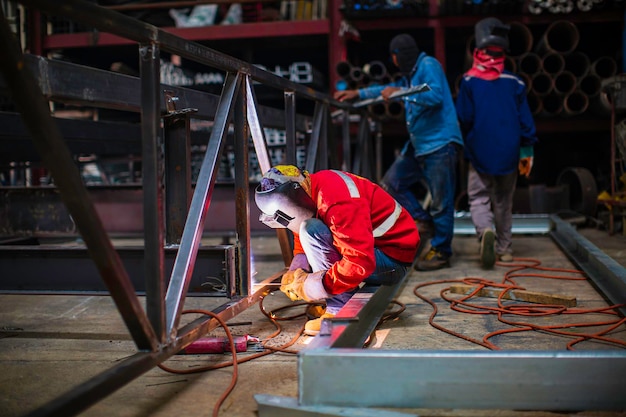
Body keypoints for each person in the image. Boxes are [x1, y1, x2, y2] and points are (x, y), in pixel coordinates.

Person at [334, 33, 463, 271]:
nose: (394, 62)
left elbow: (434, 96)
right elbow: (389, 88)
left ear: (397, 57)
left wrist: (399, 93)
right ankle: (424, 222)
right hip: (420, 145)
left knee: (440, 202)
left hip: (439, 144)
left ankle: (442, 251)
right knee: (392, 182)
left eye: (394, 58)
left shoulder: (428, 65)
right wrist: (359, 94)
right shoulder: (412, 74)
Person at [254, 165, 419, 335]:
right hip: (376, 249)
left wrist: (312, 286)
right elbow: (301, 226)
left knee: (312, 229)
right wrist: (298, 267)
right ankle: (337, 296)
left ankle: (339, 308)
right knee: (309, 227)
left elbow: (359, 262)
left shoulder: (336, 202)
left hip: (391, 260)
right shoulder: (315, 187)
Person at [455, 17, 538, 268]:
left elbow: (464, 117)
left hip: (480, 152)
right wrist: (526, 150)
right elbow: (526, 122)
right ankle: (505, 249)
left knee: (479, 197)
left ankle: (485, 232)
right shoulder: (516, 82)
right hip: (510, 153)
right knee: (504, 200)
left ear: (479, 53)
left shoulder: (469, 82)